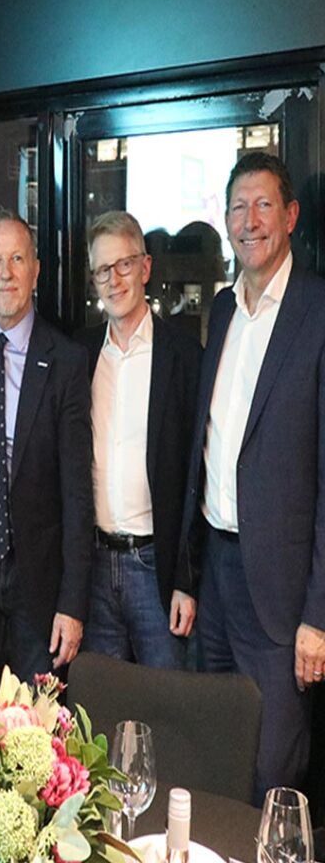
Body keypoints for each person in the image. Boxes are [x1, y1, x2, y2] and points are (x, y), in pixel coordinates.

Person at [183, 151, 325, 798]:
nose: (250, 221)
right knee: (213, 757)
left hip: (282, 595)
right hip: (215, 575)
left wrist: (318, 616)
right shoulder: (222, 310)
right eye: (238, 207)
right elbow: (207, 445)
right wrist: (187, 575)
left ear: (290, 216)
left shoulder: (317, 312)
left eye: (263, 205)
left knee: (272, 772)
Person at [0, 211, 92, 693]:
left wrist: (73, 604)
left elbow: (77, 492)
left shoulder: (66, 361)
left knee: (37, 721)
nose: (6, 272)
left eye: (17, 259)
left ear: (36, 270)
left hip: (37, 575)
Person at [76, 211, 199, 667]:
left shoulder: (184, 356)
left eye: (123, 265)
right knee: (97, 706)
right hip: (94, 567)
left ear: (145, 268)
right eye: (102, 270)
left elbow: (196, 475)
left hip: (156, 568)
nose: (114, 280)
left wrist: (186, 578)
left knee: (165, 701)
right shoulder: (81, 353)